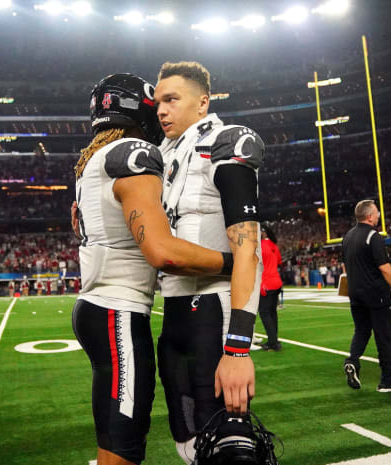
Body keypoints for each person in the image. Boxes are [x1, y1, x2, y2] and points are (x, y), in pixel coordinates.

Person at [70, 73, 234, 465]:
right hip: (118, 311)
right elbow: (162, 252)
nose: (160, 113)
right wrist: (235, 263)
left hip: (96, 305)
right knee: (124, 448)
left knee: (114, 438)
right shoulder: (133, 153)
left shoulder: (93, 159)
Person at [154, 61, 263, 463]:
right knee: (187, 441)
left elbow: (247, 249)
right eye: (158, 102)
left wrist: (238, 349)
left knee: (227, 446)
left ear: (203, 103)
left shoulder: (225, 142)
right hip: (174, 312)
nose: (161, 110)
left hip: (213, 311)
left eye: (171, 99)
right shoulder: (163, 154)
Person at [342, 200, 391, 393]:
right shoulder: (373, 236)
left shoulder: (348, 236)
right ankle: (387, 380)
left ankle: (352, 360)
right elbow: (385, 268)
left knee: (361, 331)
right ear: (370, 216)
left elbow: (345, 266)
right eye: (377, 212)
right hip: (376, 294)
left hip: (356, 294)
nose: (379, 215)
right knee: (385, 336)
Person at [258, 224, 283, 351]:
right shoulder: (274, 245)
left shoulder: (260, 246)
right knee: (272, 312)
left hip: (266, 283)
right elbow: (279, 262)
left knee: (265, 313)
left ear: (263, 232)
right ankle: (274, 340)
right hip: (276, 281)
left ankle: (273, 342)